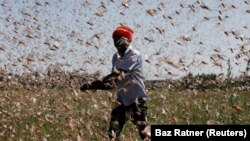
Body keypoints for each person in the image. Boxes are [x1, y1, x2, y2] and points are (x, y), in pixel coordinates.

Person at [80, 25, 149, 140]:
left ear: (128, 40)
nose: (117, 42)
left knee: (143, 132)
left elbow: (117, 77)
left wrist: (92, 85)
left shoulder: (134, 54)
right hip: (121, 100)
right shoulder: (115, 57)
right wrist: (96, 86)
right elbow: (112, 83)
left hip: (136, 100)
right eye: (115, 39)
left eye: (120, 38)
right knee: (113, 133)